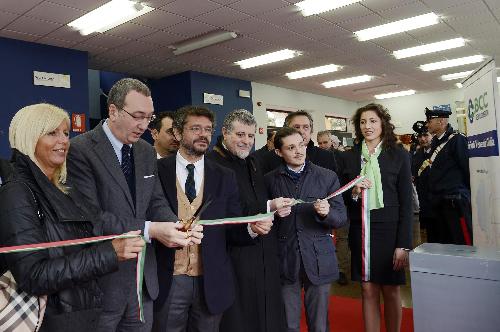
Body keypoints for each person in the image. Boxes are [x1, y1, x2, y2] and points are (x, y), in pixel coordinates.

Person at [66, 78, 203, 332]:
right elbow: (90, 218)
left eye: (149, 117)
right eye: (137, 116)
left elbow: (155, 201)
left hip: (142, 284)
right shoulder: (80, 150)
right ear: (113, 111)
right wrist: (150, 230)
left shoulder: (145, 151)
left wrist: (176, 225)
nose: (143, 125)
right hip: (101, 284)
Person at [0, 103, 146, 331]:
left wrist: (144, 230)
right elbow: (33, 276)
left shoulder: (63, 188)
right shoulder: (17, 192)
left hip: (77, 315)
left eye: (66, 133)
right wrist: (110, 253)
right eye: (52, 133)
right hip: (47, 320)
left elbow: (94, 227)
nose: (64, 141)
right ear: (29, 137)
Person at [153, 106, 273, 332]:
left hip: (211, 280)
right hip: (168, 280)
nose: (203, 135)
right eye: (195, 128)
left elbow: (232, 227)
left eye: (208, 129)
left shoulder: (224, 176)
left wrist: (251, 229)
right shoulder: (156, 170)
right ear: (178, 133)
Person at [208, 109, 290, 332]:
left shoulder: (252, 161)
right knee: (241, 316)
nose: (246, 141)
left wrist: (274, 210)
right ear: (225, 132)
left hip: (264, 248)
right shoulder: (212, 164)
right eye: (240, 135)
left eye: (251, 136)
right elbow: (223, 211)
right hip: (235, 253)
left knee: (269, 310)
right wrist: (268, 207)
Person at [337, 103, 412, 332]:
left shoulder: (398, 154)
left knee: (390, 289)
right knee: (367, 289)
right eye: (362, 122)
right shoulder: (349, 157)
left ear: (383, 124)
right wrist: (355, 191)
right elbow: (342, 197)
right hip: (361, 230)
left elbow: (406, 203)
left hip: (390, 231)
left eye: (372, 121)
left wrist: (404, 244)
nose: (367, 126)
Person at [265, 127, 347, 332]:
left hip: (319, 258)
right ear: (278, 152)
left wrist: (326, 213)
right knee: (288, 324)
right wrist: (272, 212)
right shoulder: (269, 180)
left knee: (319, 325)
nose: (298, 151)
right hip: (284, 258)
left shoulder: (327, 176)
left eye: (301, 145)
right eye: (291, 147)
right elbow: (260, 219)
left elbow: (341, 218)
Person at [425, 107, 472, 245]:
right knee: (446, 245)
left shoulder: (457, 140)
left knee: (462, 244)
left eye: (429, 121)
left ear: (441, 121)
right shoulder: (435, 142)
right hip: (439, 204)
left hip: (455, 203)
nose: (427, 124)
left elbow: (466, 168)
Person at [258, 110, 338, 174]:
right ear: (286, 129)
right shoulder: (269, 158)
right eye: (296, 127)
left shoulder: (326, 157)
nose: (301, 131)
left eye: (306, 127)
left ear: (311, 130)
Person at [411, 121, 433, 243]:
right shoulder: (418, 155)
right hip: (424, 203)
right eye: (420, 136)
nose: (423, 139)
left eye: (426, 135)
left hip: (438, 204)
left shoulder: (438, 151)